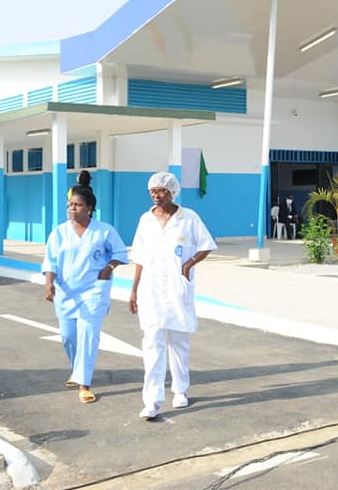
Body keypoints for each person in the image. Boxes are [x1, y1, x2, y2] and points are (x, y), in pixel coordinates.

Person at [129, 171, 216, 420]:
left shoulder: (188, 218)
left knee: (179, 342)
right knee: (152, 344)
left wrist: (188, 264)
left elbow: (206, 244)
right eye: (152, 191)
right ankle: (152, 400)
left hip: (178, 288)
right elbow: (140, 257)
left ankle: (180, 390)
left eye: (161, 191)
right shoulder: (145, 220)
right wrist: (133, 289)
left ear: (172, 192)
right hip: (151, 289)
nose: (156, 195)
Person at [42, 183, 128, 404]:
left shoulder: (104, 230)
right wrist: (49, 282)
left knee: (88, 334)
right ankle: (77, 370)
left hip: (94, 291)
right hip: (66, 291)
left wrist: (109, 268)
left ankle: (84, 384)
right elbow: (50, 260)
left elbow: (119, 252)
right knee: (68, 336)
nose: (72, 209)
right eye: (70, 205)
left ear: (89, 208)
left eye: (78, 205)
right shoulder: (59, 232)